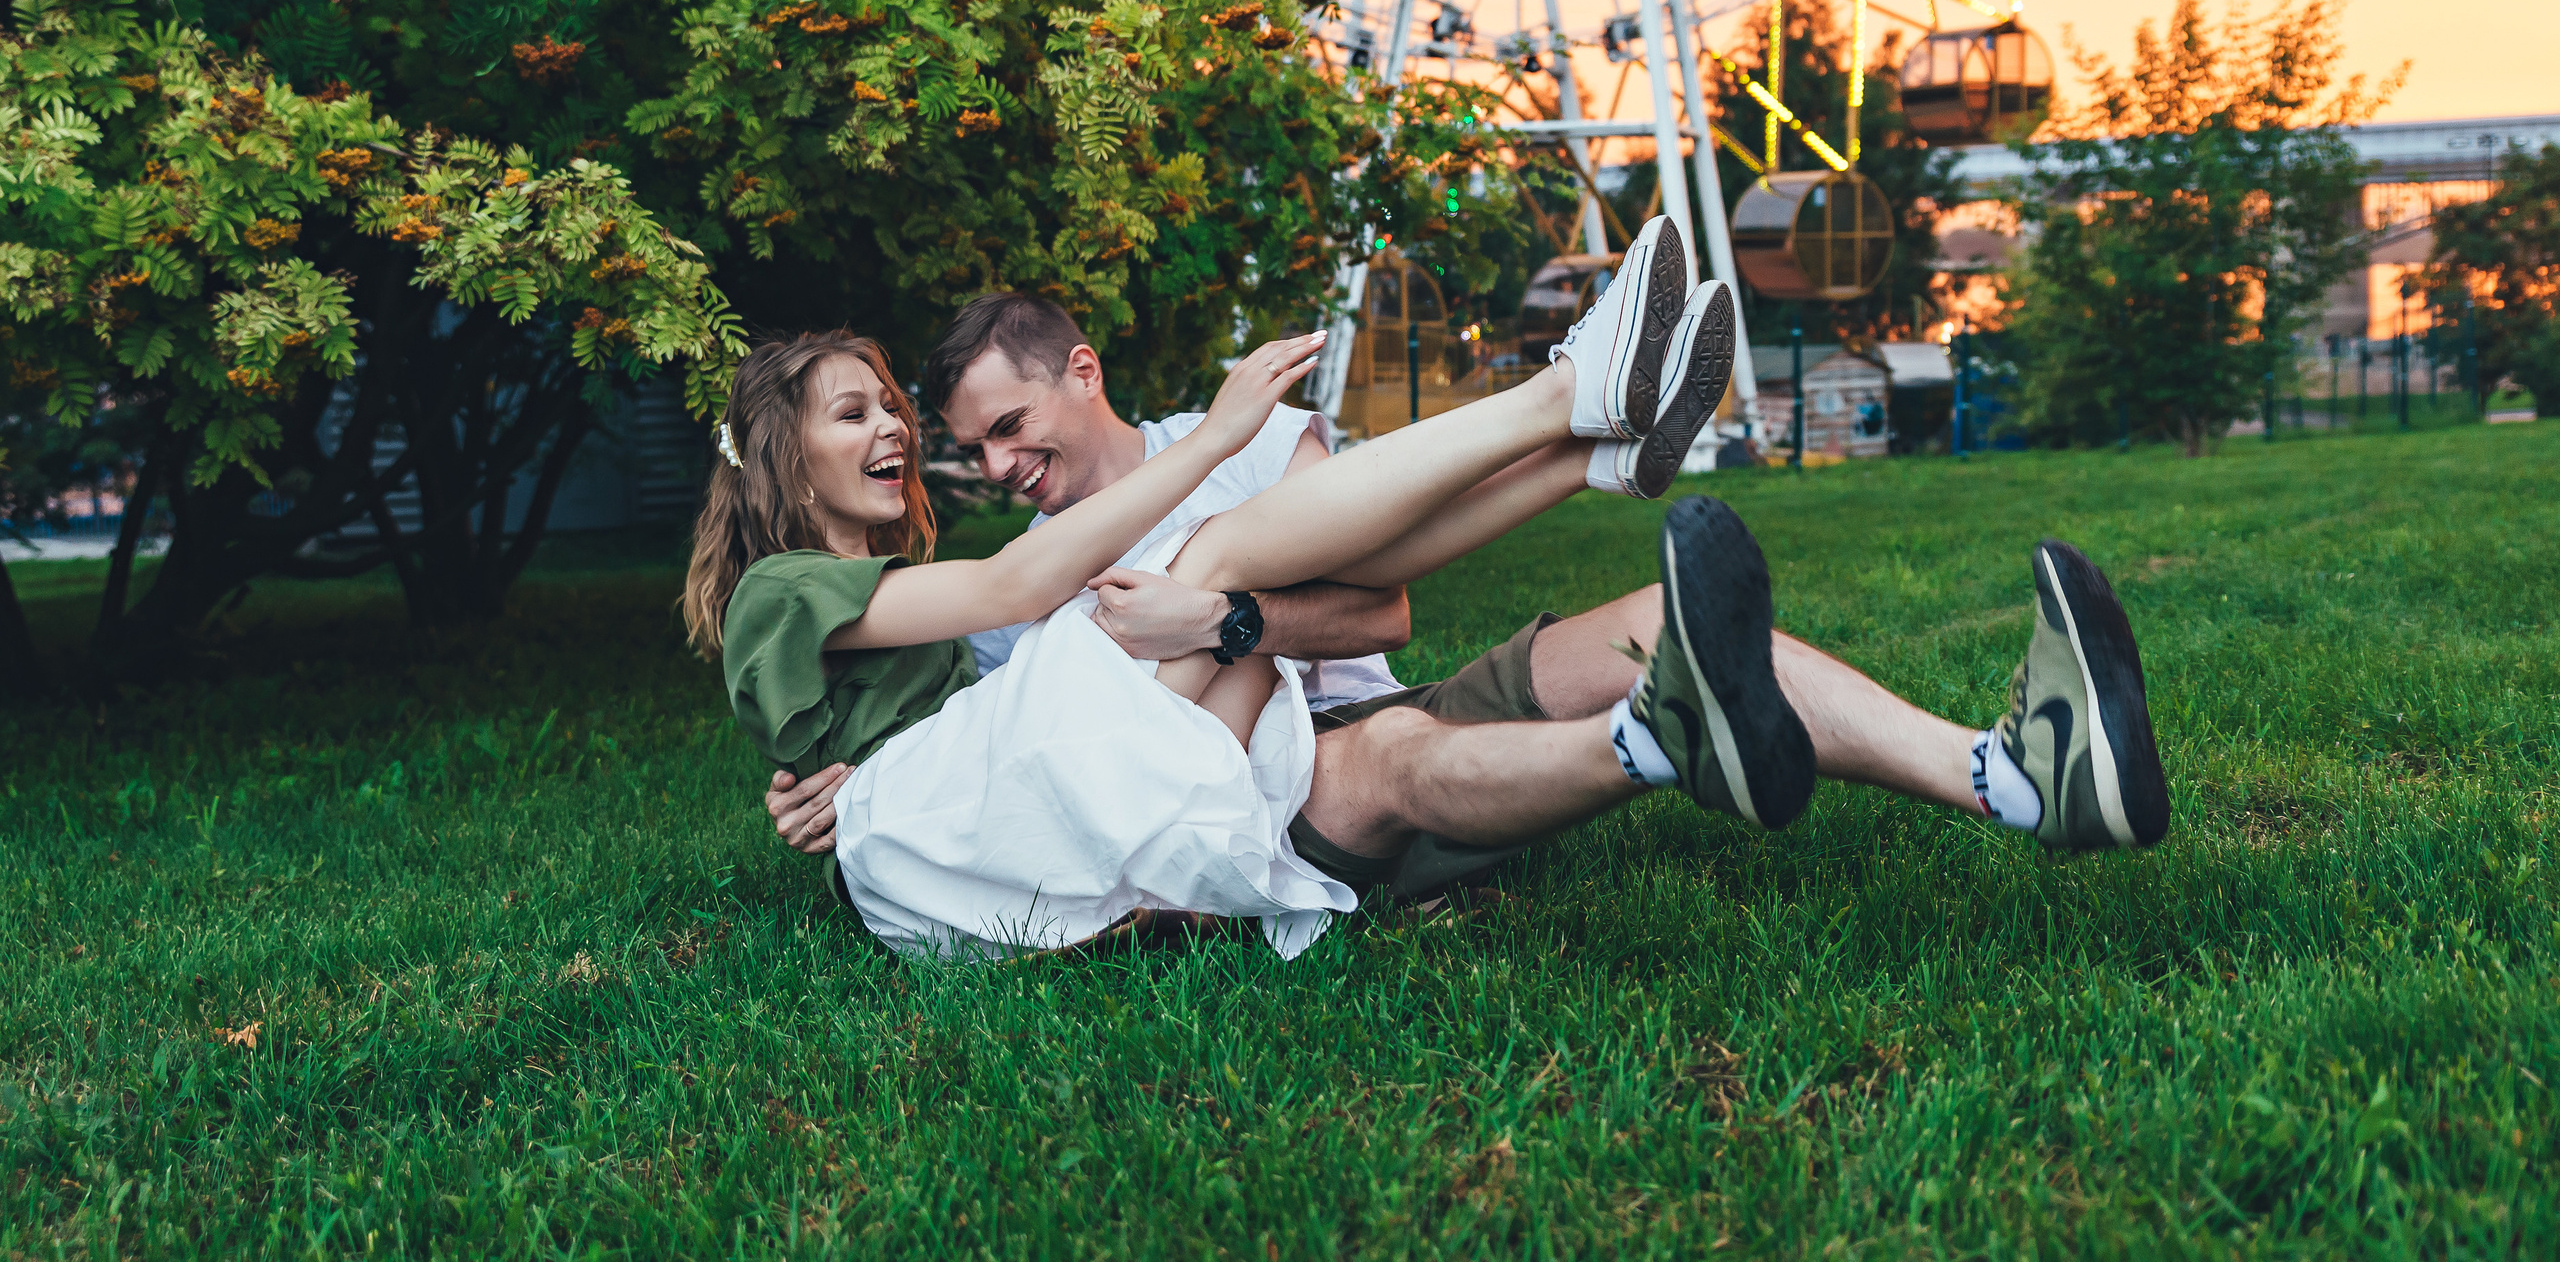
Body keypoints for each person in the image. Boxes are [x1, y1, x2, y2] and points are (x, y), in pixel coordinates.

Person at [763, 241, 2168, 898]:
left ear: (1082, 373)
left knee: (1642, 620)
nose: (1004, 470)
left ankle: (2014, 774)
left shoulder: (1233, 444)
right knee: (1386, 753)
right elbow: (1003, 766)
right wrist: (847, 783)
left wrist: (1231, 616)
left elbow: (1381, 604)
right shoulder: (1034, 579)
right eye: (980, 455)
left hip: (1369, 685)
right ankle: (1579, 426)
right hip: (1298, 783)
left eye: (1011, 429)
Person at [692, 251, 1751, 955]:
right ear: (786, 456)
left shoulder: (914, 599)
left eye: (892, 408)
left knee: (1226, 581)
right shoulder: (803, 588)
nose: (904, 434)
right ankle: (1567, 401)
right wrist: (1218, 439)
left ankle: (1589, 451)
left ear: (1081, 371)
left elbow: (975, 714)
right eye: (854, 411)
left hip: (1056, 786)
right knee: (1217, 554)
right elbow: (1014, 603)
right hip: (1001, 815)